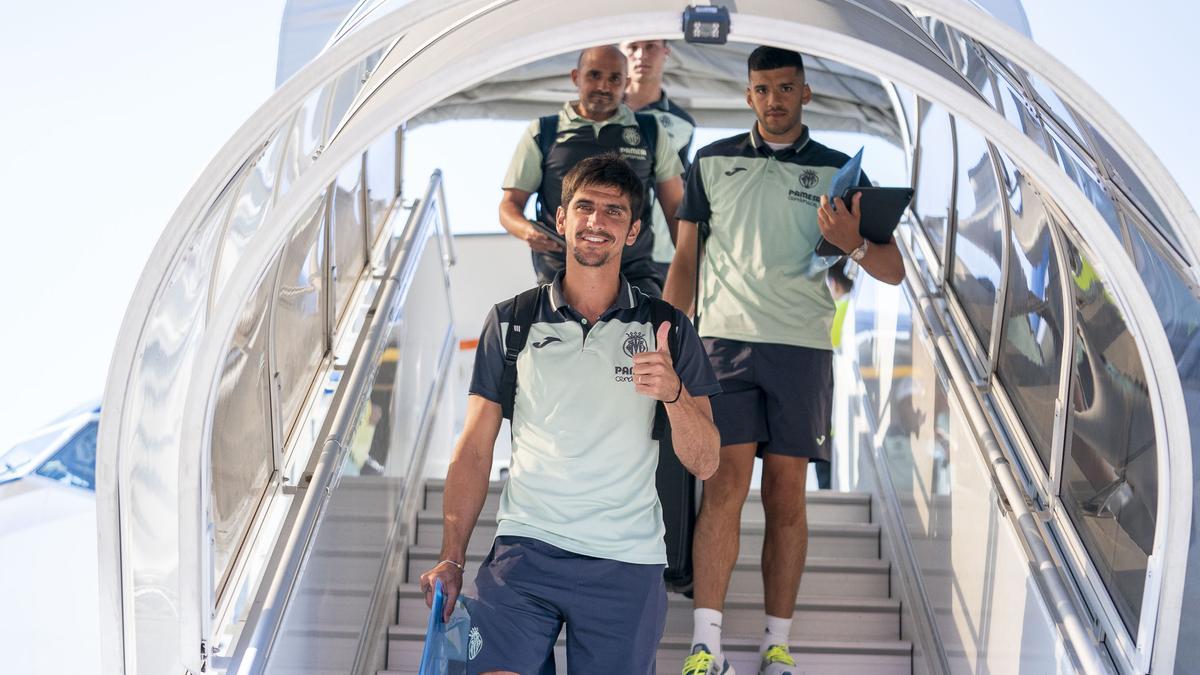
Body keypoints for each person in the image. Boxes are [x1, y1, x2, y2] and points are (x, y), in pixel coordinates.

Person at [423, 154, 722, 674]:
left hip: (625, 562)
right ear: (561, 220)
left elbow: (706, 462)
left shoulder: (666, 328)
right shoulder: (511, 321)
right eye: (584, 207)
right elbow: (473, 448)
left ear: (632, 233)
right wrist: (452, 556)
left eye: (614, 212)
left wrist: (674, 394)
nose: (596, 222)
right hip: (525, 552)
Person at [665, 46, 904, 675]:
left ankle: (776, 646)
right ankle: (705, 647)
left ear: (806, 93)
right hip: (722, 347)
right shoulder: (710, 163)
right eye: (763, 89)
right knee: (723, 489)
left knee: (787, 497)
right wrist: (661, 338)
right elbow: (686, 261)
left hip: (802, 351)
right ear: (749, 96)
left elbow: (893, 268)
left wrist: (854, 245)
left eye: (786, 87)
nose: (774, 99)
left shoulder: (840, 171)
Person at [499, 45, 685, 297]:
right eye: (594, 75)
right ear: (576, 77)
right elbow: (509, 206)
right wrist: (527, 231)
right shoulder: (544, 132)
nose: (604, 86)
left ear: (626, 82)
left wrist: (690, 273)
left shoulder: (650, 132)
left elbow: (676, 209)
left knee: (651, 334)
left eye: (614, 79)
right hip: (560, 270)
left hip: (633, 272)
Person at [621, 39, 697, 284]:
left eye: (651, 46)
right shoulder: (601, 112)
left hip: (662, 255)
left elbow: (679, 191)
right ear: (621, 52)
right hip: (608, 245)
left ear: (666, 51)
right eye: (633, 48)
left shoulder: (683, 123)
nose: (641, 55)